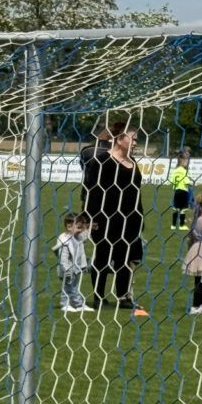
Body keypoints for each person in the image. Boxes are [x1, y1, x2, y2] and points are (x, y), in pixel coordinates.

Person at [83, 122, 144, 310]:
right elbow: (91, 190)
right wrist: (90, 217)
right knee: (102, 257)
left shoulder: (133, 163)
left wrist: (139, 217)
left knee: (125, 259)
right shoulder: (102, 161)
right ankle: (99, 296)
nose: (135, 143)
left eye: (136, 140)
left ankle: (123, 296)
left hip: (130, 219)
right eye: (132, 139)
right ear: (119, 139)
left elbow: (136, 193)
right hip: (106, 219)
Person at [51, 212, 94, 312]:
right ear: (69, 226)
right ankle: (65, 304)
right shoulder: (64, 241)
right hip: (67, 270)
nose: (81, 229)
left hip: (76, 268)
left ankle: (78, 304)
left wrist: (90, 228)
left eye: (81, 227)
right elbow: (63, 259)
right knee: (67, 287)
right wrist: (66, 270)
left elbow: (84, 236)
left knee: (74, 287)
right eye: (78, 227)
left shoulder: (77, 236)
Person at [169, 149, 193, 231]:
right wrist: (191, 182)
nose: (187, 163)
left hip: (176, 191)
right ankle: (182, 225)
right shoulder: (184, 171)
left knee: (176, 209)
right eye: (186, 161)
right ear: (182, 161)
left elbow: (171, 180)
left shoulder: (175, 170)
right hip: (183, 191)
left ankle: (173, 225)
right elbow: (187, 181)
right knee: (183, 210)